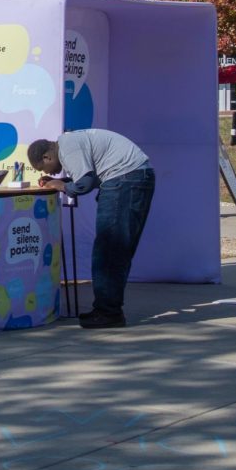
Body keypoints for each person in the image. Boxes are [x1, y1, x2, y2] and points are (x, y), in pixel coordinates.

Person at [28, 130, 155, 329]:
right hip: (132, 177)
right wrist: (66, 183)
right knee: (116, 251)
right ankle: (108, 309)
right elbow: (90, 178)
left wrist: (62, 186)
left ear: (47, 156)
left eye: (44, 168)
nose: (49, 173)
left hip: (124, 180)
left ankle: (108, 312)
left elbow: (85, 184)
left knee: (108, 251)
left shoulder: (67, 148)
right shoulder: (70, 142)